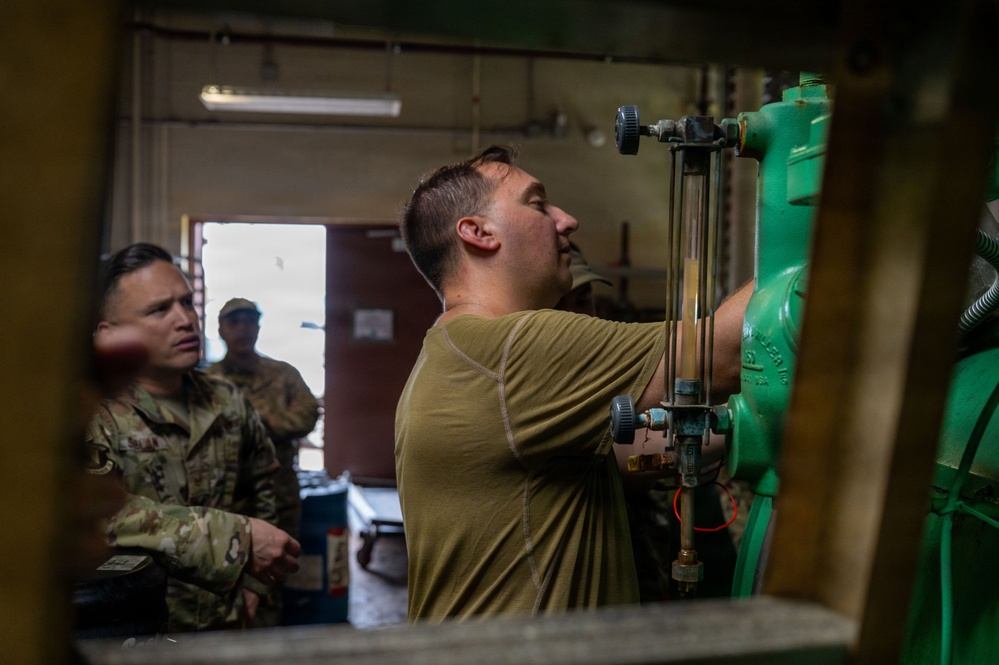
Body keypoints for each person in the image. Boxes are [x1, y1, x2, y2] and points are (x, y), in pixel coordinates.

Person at [395, 144, 750, 620]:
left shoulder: (454, 353)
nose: (567, 219)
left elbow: (626, 456)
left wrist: (733, 432)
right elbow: (728, 352)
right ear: (478, 233)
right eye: (537, 204)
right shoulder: (511, 348)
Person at [85, 243, 301, 633]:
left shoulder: (226, 400)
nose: (185, 320)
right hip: (138, 625)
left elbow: (267, 485)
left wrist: (255, 583)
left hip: (228, 615)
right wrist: (233, 538)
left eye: (187, 303)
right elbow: (95, 513)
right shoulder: (92, 413)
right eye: (159, 310)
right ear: (109, 334)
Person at [207, 297, 320, 542]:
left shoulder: (284, 373)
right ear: (220, 330)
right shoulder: (207, 382)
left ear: (258, 328)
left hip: (278, 492)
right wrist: (278, 420)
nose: (243, 328)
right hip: (224, 498)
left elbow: (308, 415)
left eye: (250, 321)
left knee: (278, 563)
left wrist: (260, 422)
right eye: (234, 322)